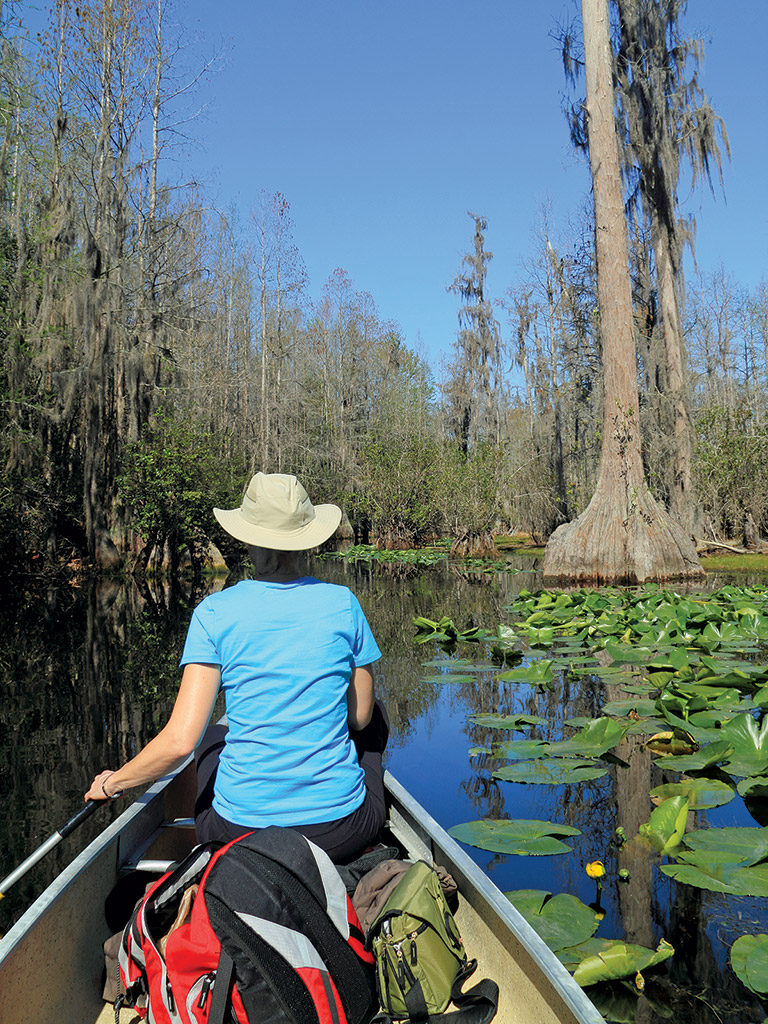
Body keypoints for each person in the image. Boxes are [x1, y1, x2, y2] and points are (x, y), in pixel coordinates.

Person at [85, 472, 388, 863]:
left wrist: (114, 783)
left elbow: (180, 742)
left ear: (248, 538)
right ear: (307, 539)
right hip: (339, 832)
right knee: (375, 718)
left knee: (212, 736)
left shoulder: (214, 612)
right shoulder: (343, 603)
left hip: (238, 838)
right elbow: (360, 718)